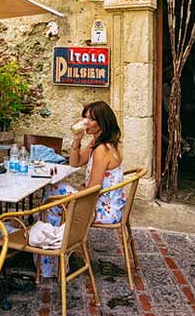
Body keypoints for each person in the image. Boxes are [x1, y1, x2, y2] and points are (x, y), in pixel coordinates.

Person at [39, 100, 126, 278]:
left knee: (52, 195)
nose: (86, 122)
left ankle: (52, 260)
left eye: (91, 119)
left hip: (100, 208)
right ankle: (55, 252)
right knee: (55, 193)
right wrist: (76, 140)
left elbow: (93, 189)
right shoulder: (98, 143)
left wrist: (77, 190)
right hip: (103, 202)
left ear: (102, 122)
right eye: (85, 117)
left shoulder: (102, 149)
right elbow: (75, 163)